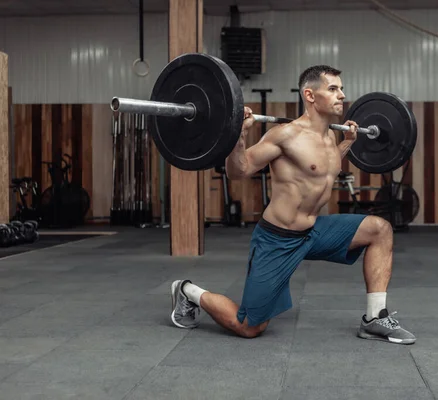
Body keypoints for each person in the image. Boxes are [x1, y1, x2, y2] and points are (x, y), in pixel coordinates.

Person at [169, 65, 416, 345]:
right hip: (278, 238)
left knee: (379, 229)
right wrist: (238, 136)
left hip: (313, 231)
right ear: (310, 95)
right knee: (250, 326)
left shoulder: (330, 136)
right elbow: (239, 171)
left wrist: (348, 143)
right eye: (333, 89)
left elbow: (322, 168)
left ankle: (374, 319)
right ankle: (188, 291)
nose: (342, 95)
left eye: (341, 89)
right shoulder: (285, 135)